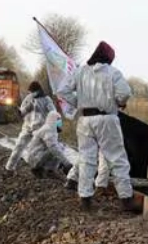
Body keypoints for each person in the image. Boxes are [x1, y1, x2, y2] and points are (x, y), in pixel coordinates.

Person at [57, 41, 140, 212]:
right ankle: (126, 199)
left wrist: (78, 103)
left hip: (85, 120)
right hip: (107, 119)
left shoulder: (80, 72)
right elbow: (124, 93)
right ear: (108, 58)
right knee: (117, 158)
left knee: (87, 159)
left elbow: (62, 90)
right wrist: (118, 102)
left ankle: (85, 198)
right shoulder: (113, 73)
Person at [5, 81, 55, 172]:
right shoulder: (29, 98)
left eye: (32, 92)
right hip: (27, 128)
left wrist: (57, 126)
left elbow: (54, 113)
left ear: (38, 91)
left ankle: (49, 169)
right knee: (19, 146)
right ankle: (9, 168)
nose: (31, 94)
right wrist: (16, 109)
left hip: (40, 129)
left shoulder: (47, 100)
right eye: (30, 92)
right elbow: (22, 112)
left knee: (49, 147)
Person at [26, 111, 72, 178]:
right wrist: (66, 163)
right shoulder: (48, 130)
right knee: (56, 149)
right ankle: (41, 170)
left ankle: (49, 170)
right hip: (35, 157)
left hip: (37, 155)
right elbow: (53, 148)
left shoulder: (50, 129)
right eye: (58, 121)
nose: (60, 123)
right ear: (53, 121)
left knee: (61, 146)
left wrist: (63, 161)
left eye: (60, 121)